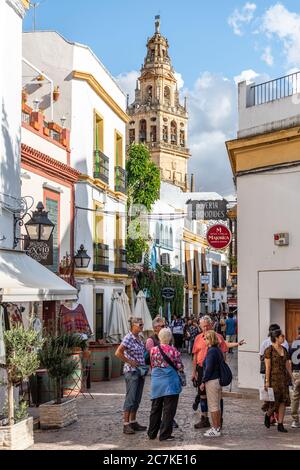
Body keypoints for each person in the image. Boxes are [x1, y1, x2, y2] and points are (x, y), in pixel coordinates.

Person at [192, 315, 245, 429]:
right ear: (200, 326)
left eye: (207, 326)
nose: (205, 328)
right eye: (203, 326)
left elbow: (225, 347)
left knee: (217, 396)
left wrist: (236, 344)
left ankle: (218, 420)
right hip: (201, 368)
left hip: (214, 370)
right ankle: (204, 418)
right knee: (203, 396)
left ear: (211, 325)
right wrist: (194, 372)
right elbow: (195, 355)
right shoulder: (198, 338)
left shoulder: (217, 337)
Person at [148, 328, 184, 442]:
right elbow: (179, 366)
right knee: (169, 410)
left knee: (155, 408)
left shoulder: (153, 350)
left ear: (159, 338)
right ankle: (164, 434)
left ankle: (152, 433)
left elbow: (152, 364)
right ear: (170, 338)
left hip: (156, 382)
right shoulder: (174, 351)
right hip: (170, 383)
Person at [115, 317, 148, 435]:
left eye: (142, 324)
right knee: (130, 397)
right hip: (131, 372)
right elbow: (118, 352)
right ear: (133, 325)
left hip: (140, 372)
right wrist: (129, 361)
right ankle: (126, 424)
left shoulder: (140, 337)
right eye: (140, 324)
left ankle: (133, 422)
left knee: (137, 398)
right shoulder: (128, 338)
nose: (142, 326)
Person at [264, 329, 293, 433]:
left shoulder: (284, 349)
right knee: (274, 402)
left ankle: (280, 424)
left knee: (283, 402)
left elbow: (287, 365)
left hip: (283, 380)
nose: (283, 337)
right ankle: (268, 415)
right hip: (273, 380)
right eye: (282, 336)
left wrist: (291, 376)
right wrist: (267, 381)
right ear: (276, 337)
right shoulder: (269, 350)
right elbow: (268, 367)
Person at [200, 330, 224, 437]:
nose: (204, 340)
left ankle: (215, 428)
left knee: (213, 406)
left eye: (205, 338)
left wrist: (203, 381)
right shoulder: (218, 350)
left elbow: (208, 368)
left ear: (210, 339)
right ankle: (217, 427)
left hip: (212, 381)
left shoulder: (211, 351)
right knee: (217, 406)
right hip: (217, 380)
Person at [289, 326, 300, 428]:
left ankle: (295, 420)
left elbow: (288, 361)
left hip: (296, 373)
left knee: (295, 397)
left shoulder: (293, 343)